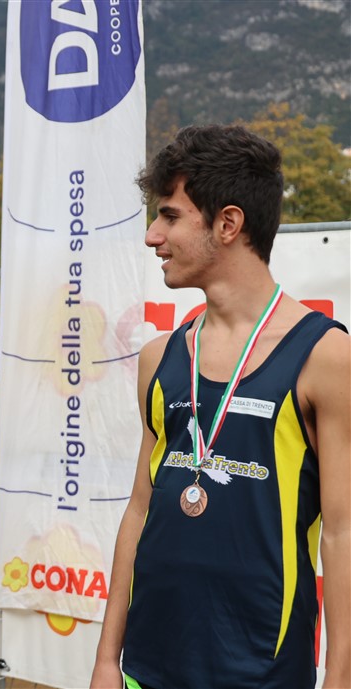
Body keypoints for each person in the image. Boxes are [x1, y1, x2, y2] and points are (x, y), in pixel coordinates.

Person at [90, 125, 350, 689]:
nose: (153, 236)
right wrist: (108, 660)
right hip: (147, 667)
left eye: (169, 216)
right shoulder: (159, 357)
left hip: (261, 673)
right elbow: (138, 510)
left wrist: (339, 678)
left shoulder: (325, 355)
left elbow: (342, 533)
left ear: (228, 224)